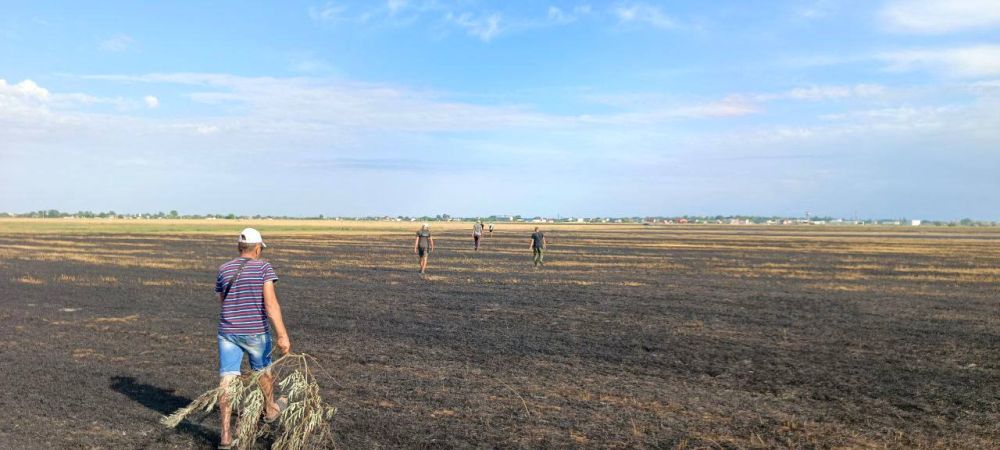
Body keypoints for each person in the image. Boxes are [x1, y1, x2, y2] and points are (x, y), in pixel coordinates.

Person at [214, 228, 291, 449]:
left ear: (239, 248)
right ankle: (270, 409)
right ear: (257, 248)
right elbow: (271, 305)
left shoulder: (223, 269)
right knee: (263, 372)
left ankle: (226, 437)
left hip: (227, 332)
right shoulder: (264, 267)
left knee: (227, 380)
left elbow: (223, 301)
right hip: (255, 331)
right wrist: (282, 335)